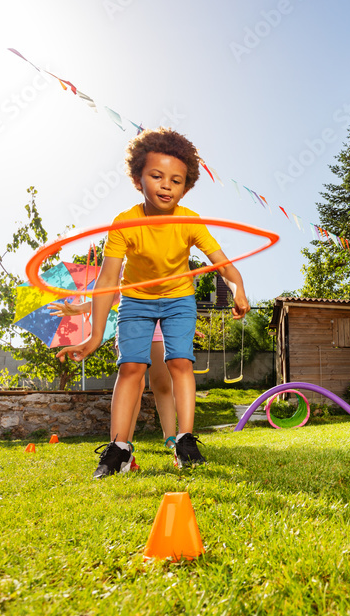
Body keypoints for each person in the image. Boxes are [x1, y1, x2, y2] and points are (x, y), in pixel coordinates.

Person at [56, 127, 249, 478]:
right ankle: (119, 449)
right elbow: (107, 281)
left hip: (178, 298)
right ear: (137, 178)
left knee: (180, 363)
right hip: (136, 300)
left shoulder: (190, 221)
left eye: (176, 180)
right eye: (156, 176)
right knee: (130, 368)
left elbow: (223, 264)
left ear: (187, 186)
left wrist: (238, 288)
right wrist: (95, 335)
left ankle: (185, 441)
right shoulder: (125, 223)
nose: (166, 185)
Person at [48, 300, 178, 449]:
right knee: (133, 385)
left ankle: (170, 438)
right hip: (130, 328)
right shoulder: (122, 276)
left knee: (163, 384)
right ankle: (124, 441)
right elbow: (109, 295)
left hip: (159, 329)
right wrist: (80, 308)